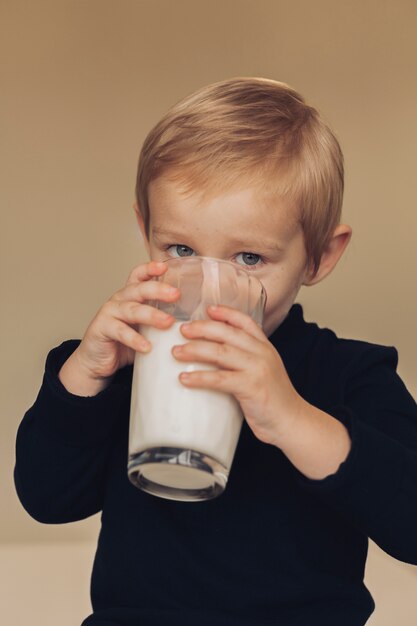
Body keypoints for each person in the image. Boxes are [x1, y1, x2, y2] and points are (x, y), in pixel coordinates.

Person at [14, 77, 417, 626]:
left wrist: (291, 416)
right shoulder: (121, 361)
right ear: (145, 230)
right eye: (180, 248)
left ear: (320, 256)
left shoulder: (350, 373)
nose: (211, 286)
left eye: (248, 258)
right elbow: (45, 499)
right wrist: (86, 374)